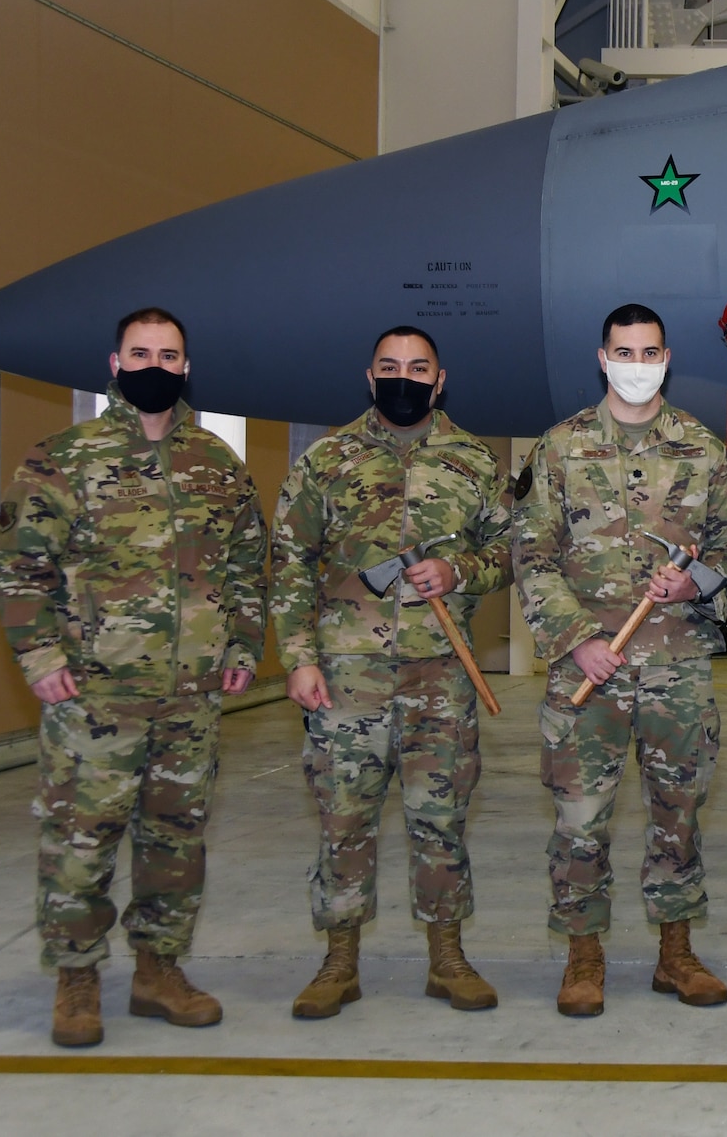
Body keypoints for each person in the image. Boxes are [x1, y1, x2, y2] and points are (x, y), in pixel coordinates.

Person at [0, 307, 265, 1048]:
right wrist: (41, 658)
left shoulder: (216, 461)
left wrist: (241, 645)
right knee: (82, 838)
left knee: (175, 839)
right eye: (140, 352)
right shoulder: (60, 458)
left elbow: (245, 563)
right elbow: (20, 566)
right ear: (114, 364)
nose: (154, 364)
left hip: (191, 697)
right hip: (93, 694)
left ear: (185, 368)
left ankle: (158, 970)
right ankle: (77, 976)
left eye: (168, 354)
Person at [272, 326, 511, 1018]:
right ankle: (338, 959)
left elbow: (511, 550)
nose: (403, 377)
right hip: (347, 674)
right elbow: (291, 563)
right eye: (389, 367)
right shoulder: (328, 459)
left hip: (441, 673)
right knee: (344, 816)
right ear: (369, 376)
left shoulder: (472, 461)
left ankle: (448, 955)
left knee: (441, 815)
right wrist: (298, 657)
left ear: (439, 381)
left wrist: (459, 568)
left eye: (417, 368)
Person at [515, 303, 727, 1017]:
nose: (636, 364)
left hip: (676, 666)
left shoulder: (704, 452)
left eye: (649, 352)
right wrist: (575, 635)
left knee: (677, 814)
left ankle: (675, 955)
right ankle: (584, 957)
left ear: (667, 358)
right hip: (587, 669)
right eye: (625, 351)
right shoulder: (559, 448)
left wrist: (695, 583)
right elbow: (530, 553)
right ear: (602, 356)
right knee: (580, 819)